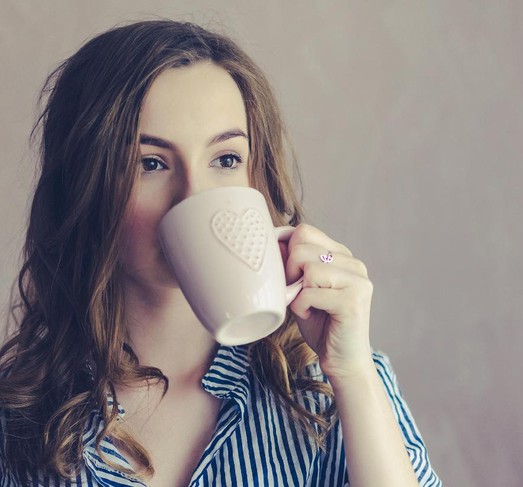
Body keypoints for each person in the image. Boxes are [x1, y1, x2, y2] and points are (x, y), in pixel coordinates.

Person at [0, 20, 441, 487]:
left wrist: (351, 374)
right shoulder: (20, 418)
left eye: (225, 159)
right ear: (84, 189)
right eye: (150, 164)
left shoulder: (325, 387)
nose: (194, 196)